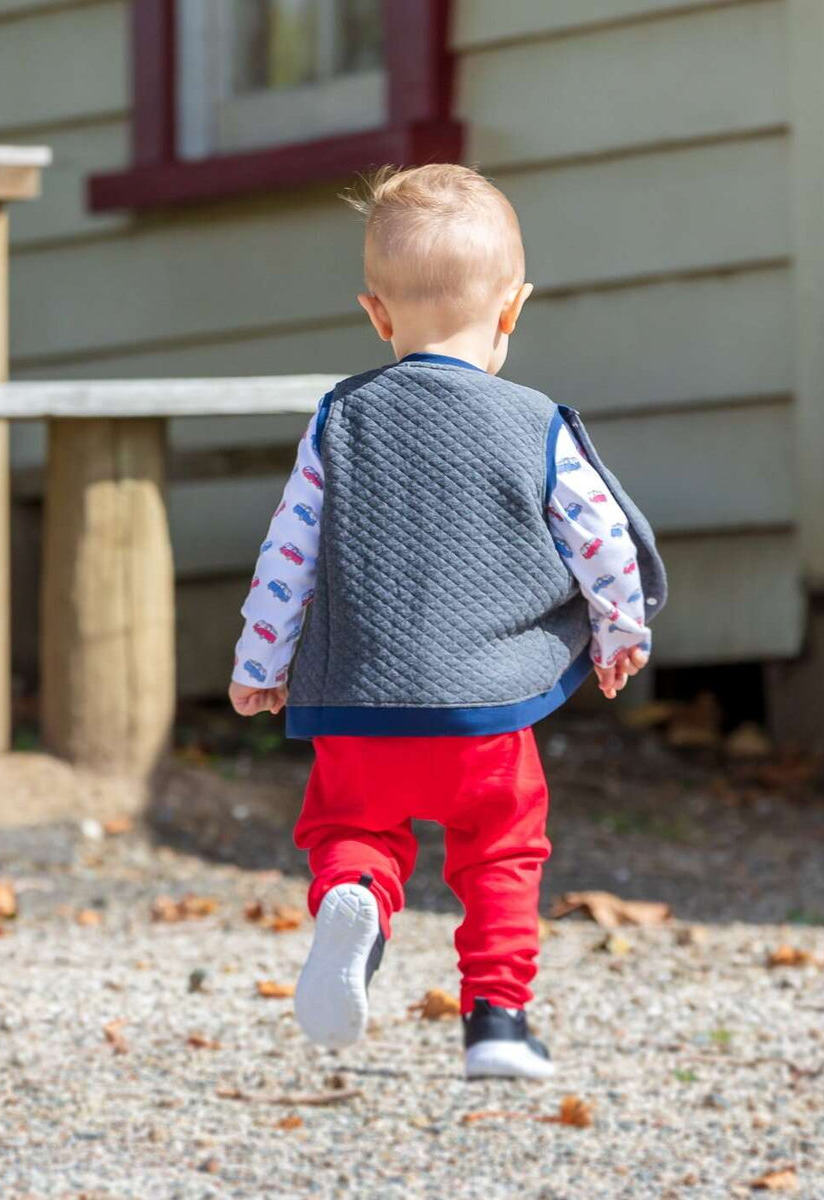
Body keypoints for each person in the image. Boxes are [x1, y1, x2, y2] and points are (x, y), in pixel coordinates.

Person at [229, 164, 665, 1079]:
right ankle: (498, 1022)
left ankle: (356, 893)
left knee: (352, 827)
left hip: (358, 705)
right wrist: (622, 634)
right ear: (513, 310)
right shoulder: (535, 421)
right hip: (486, 715)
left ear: (377, 315)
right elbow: (603, 539)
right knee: (502, 850)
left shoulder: (339, 420)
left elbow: (288, 553)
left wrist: (262, 661)